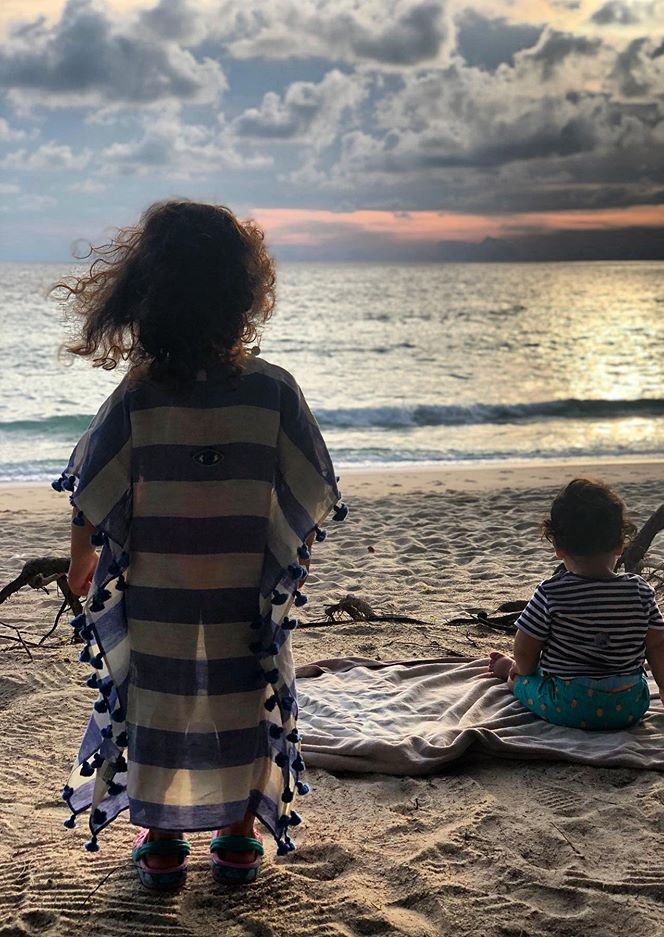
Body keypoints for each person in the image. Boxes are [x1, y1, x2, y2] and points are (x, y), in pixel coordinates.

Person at [52, 199, 346, 889]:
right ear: (243, 294)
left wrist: (81, 564)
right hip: (245, 588)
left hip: (160, 593)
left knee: (161, 702)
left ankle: (161, 842)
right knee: (245, 700)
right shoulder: (274, 391)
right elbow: (309, 491)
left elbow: (93, 490)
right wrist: (291, 563)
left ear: (144, 296)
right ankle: (239, 837)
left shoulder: (138, 396)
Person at [482, 478, 664, 729]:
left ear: (558, 548)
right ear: (619, 545)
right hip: (630, 704)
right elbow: (658, 645)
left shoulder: (550, 592)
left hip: (569, 705)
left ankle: (505, 670)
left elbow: (526, 651)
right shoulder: (640, 590)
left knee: (520, 679)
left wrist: (520, 669)